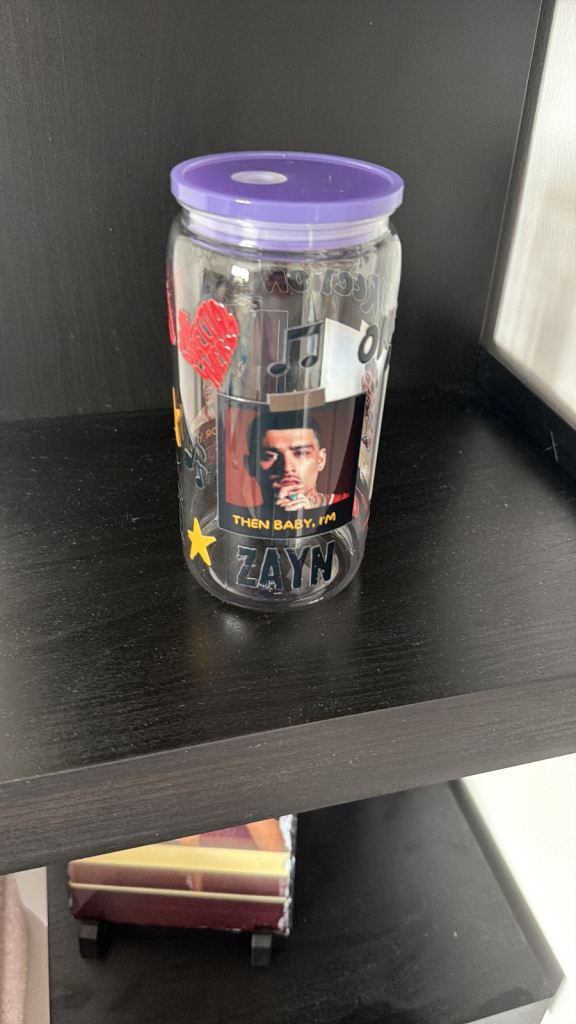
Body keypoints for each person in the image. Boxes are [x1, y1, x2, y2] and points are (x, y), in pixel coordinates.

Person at [244, 409, 348, 513]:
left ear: (321, 460)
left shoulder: (346, 506)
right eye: (269, 456)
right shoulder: (243, 517)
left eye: (300, 453)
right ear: (250, 465)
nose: (287, 468)